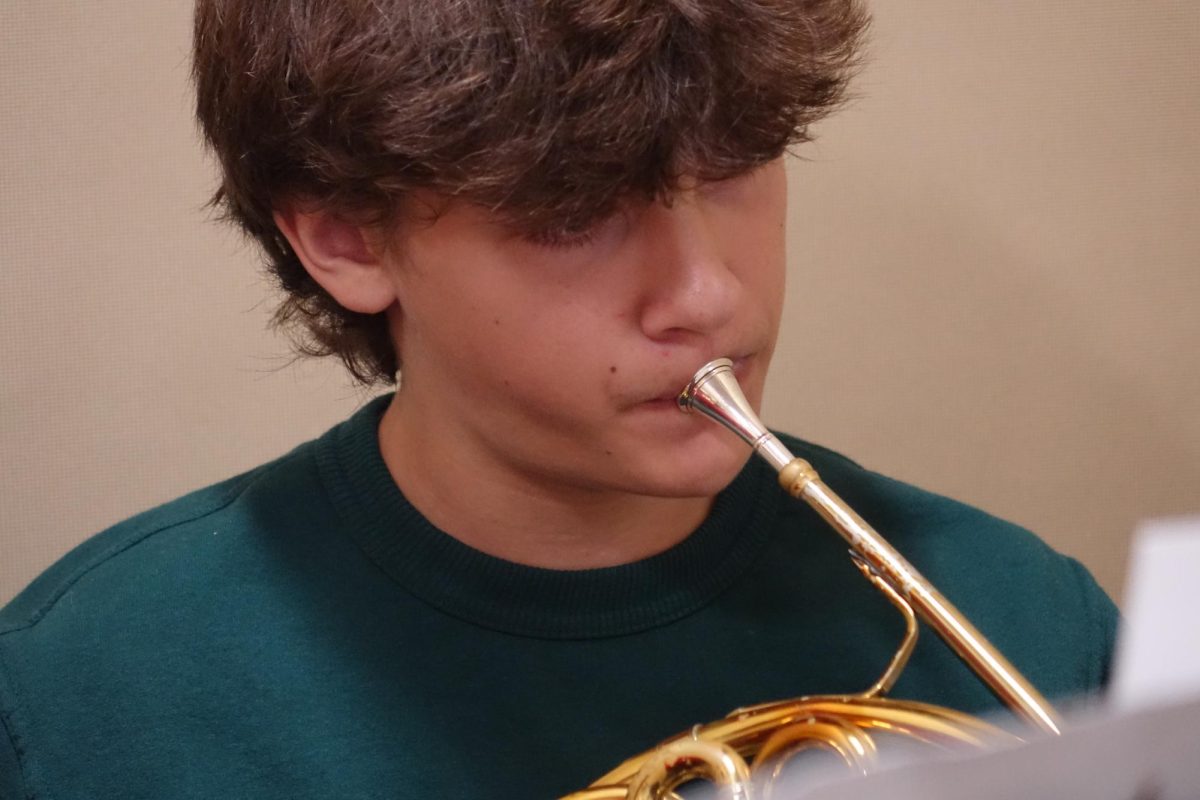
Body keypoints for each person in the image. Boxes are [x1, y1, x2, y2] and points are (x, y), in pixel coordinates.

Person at [0, 1, 1116, 798]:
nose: (707, 291)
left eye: (736, 163)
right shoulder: (78, 702)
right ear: (343, 235)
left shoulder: (1035, 627)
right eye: (577, 208)